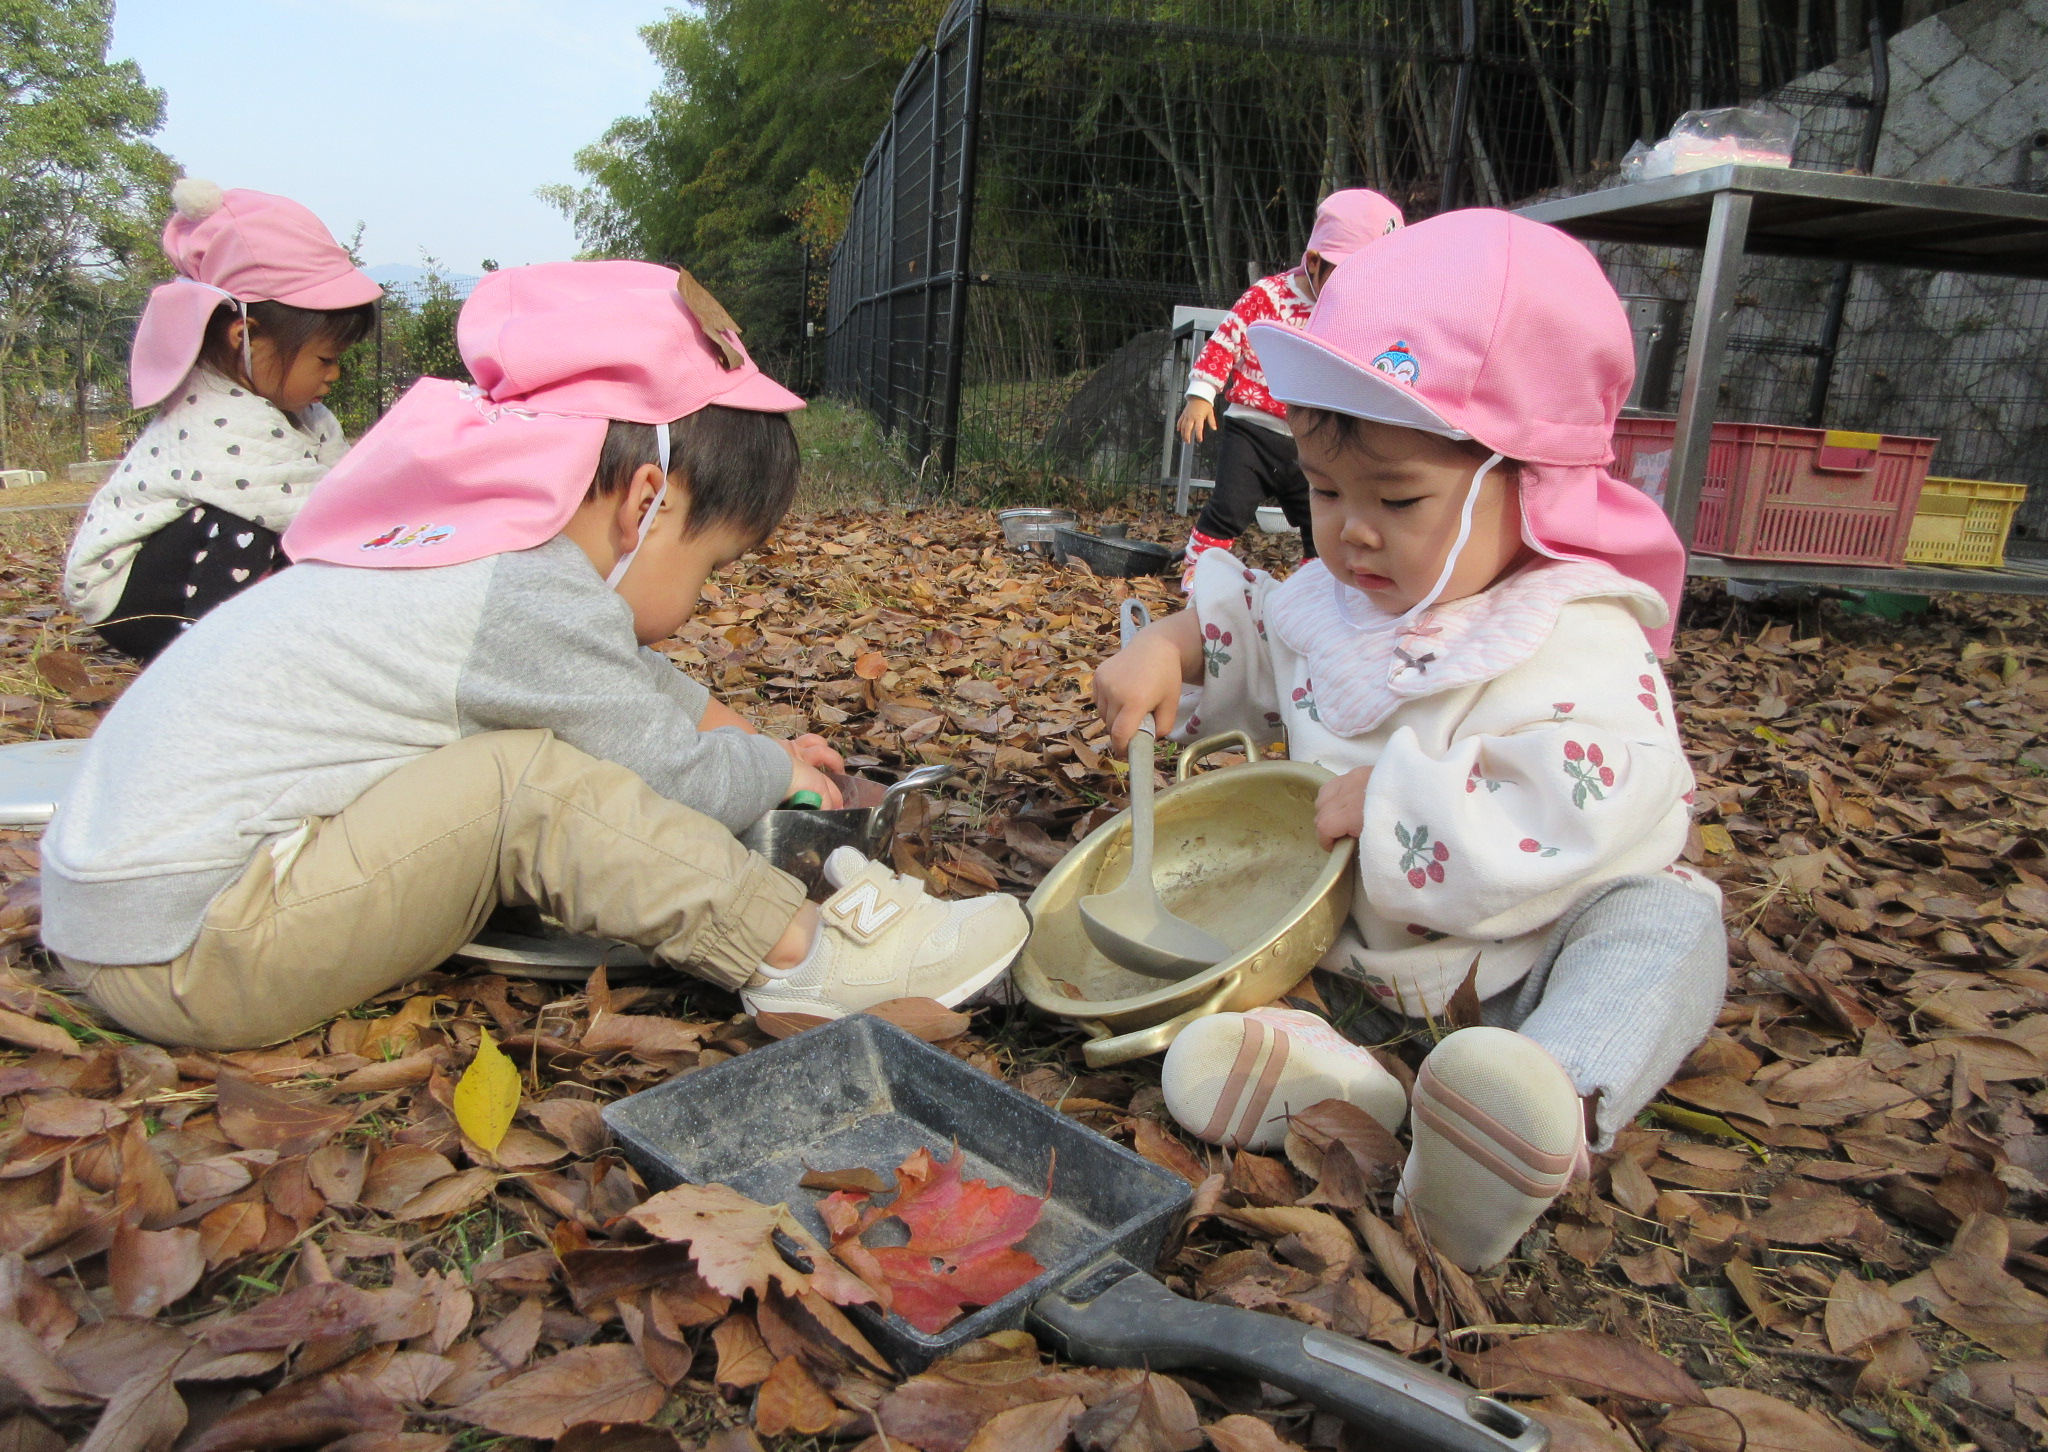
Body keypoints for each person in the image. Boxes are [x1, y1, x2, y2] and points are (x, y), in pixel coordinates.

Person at [40, 261, 1028, 1050]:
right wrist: (764, 766)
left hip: (126, 916)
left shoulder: (468, 556)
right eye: (713, 564)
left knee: (526, 759)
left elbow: (629, 680)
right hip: (196, 947)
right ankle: (807, 957)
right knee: (523, 783)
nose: (702, 602)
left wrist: (763, 743)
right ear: (648, 501)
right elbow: (673, 776)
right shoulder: (524, 596)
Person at [1097, 210, 1727, 1272]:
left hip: (1525, 956)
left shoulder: (1568, 629)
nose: (1348, 531)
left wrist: (1399, 802)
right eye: (1327, 490)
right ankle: (1353, 1083)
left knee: (1667, 923)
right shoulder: (1345, 590)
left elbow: (1589, 801)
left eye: (1396, 497)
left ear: (1531, 485)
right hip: (1348, 950)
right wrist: (1174, 643)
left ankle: (1539, 1101)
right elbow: (1267, 630)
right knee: (1257, 926)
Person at [64, 179, 382, 661]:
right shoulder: (216, 415)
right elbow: (323, 509)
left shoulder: (305, 415)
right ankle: (216, 658)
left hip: (186, 578)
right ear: (245, 337)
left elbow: (343, 482)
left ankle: (251, 637)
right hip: (131, 600)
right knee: (246, 520)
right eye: (325, 359)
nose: (334, 374)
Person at [1176, 188, 1405, 590]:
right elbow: (1227, 338)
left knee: (1318, 518)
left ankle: (1316, 586)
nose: (1355, 290)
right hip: (1253, 429)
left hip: (1313, 439)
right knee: (1229, 508)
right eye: (1347, 276)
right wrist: (1201, 393)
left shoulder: (1357, 315)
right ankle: (1198, 570)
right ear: (1314, 262)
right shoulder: (1268, 296)